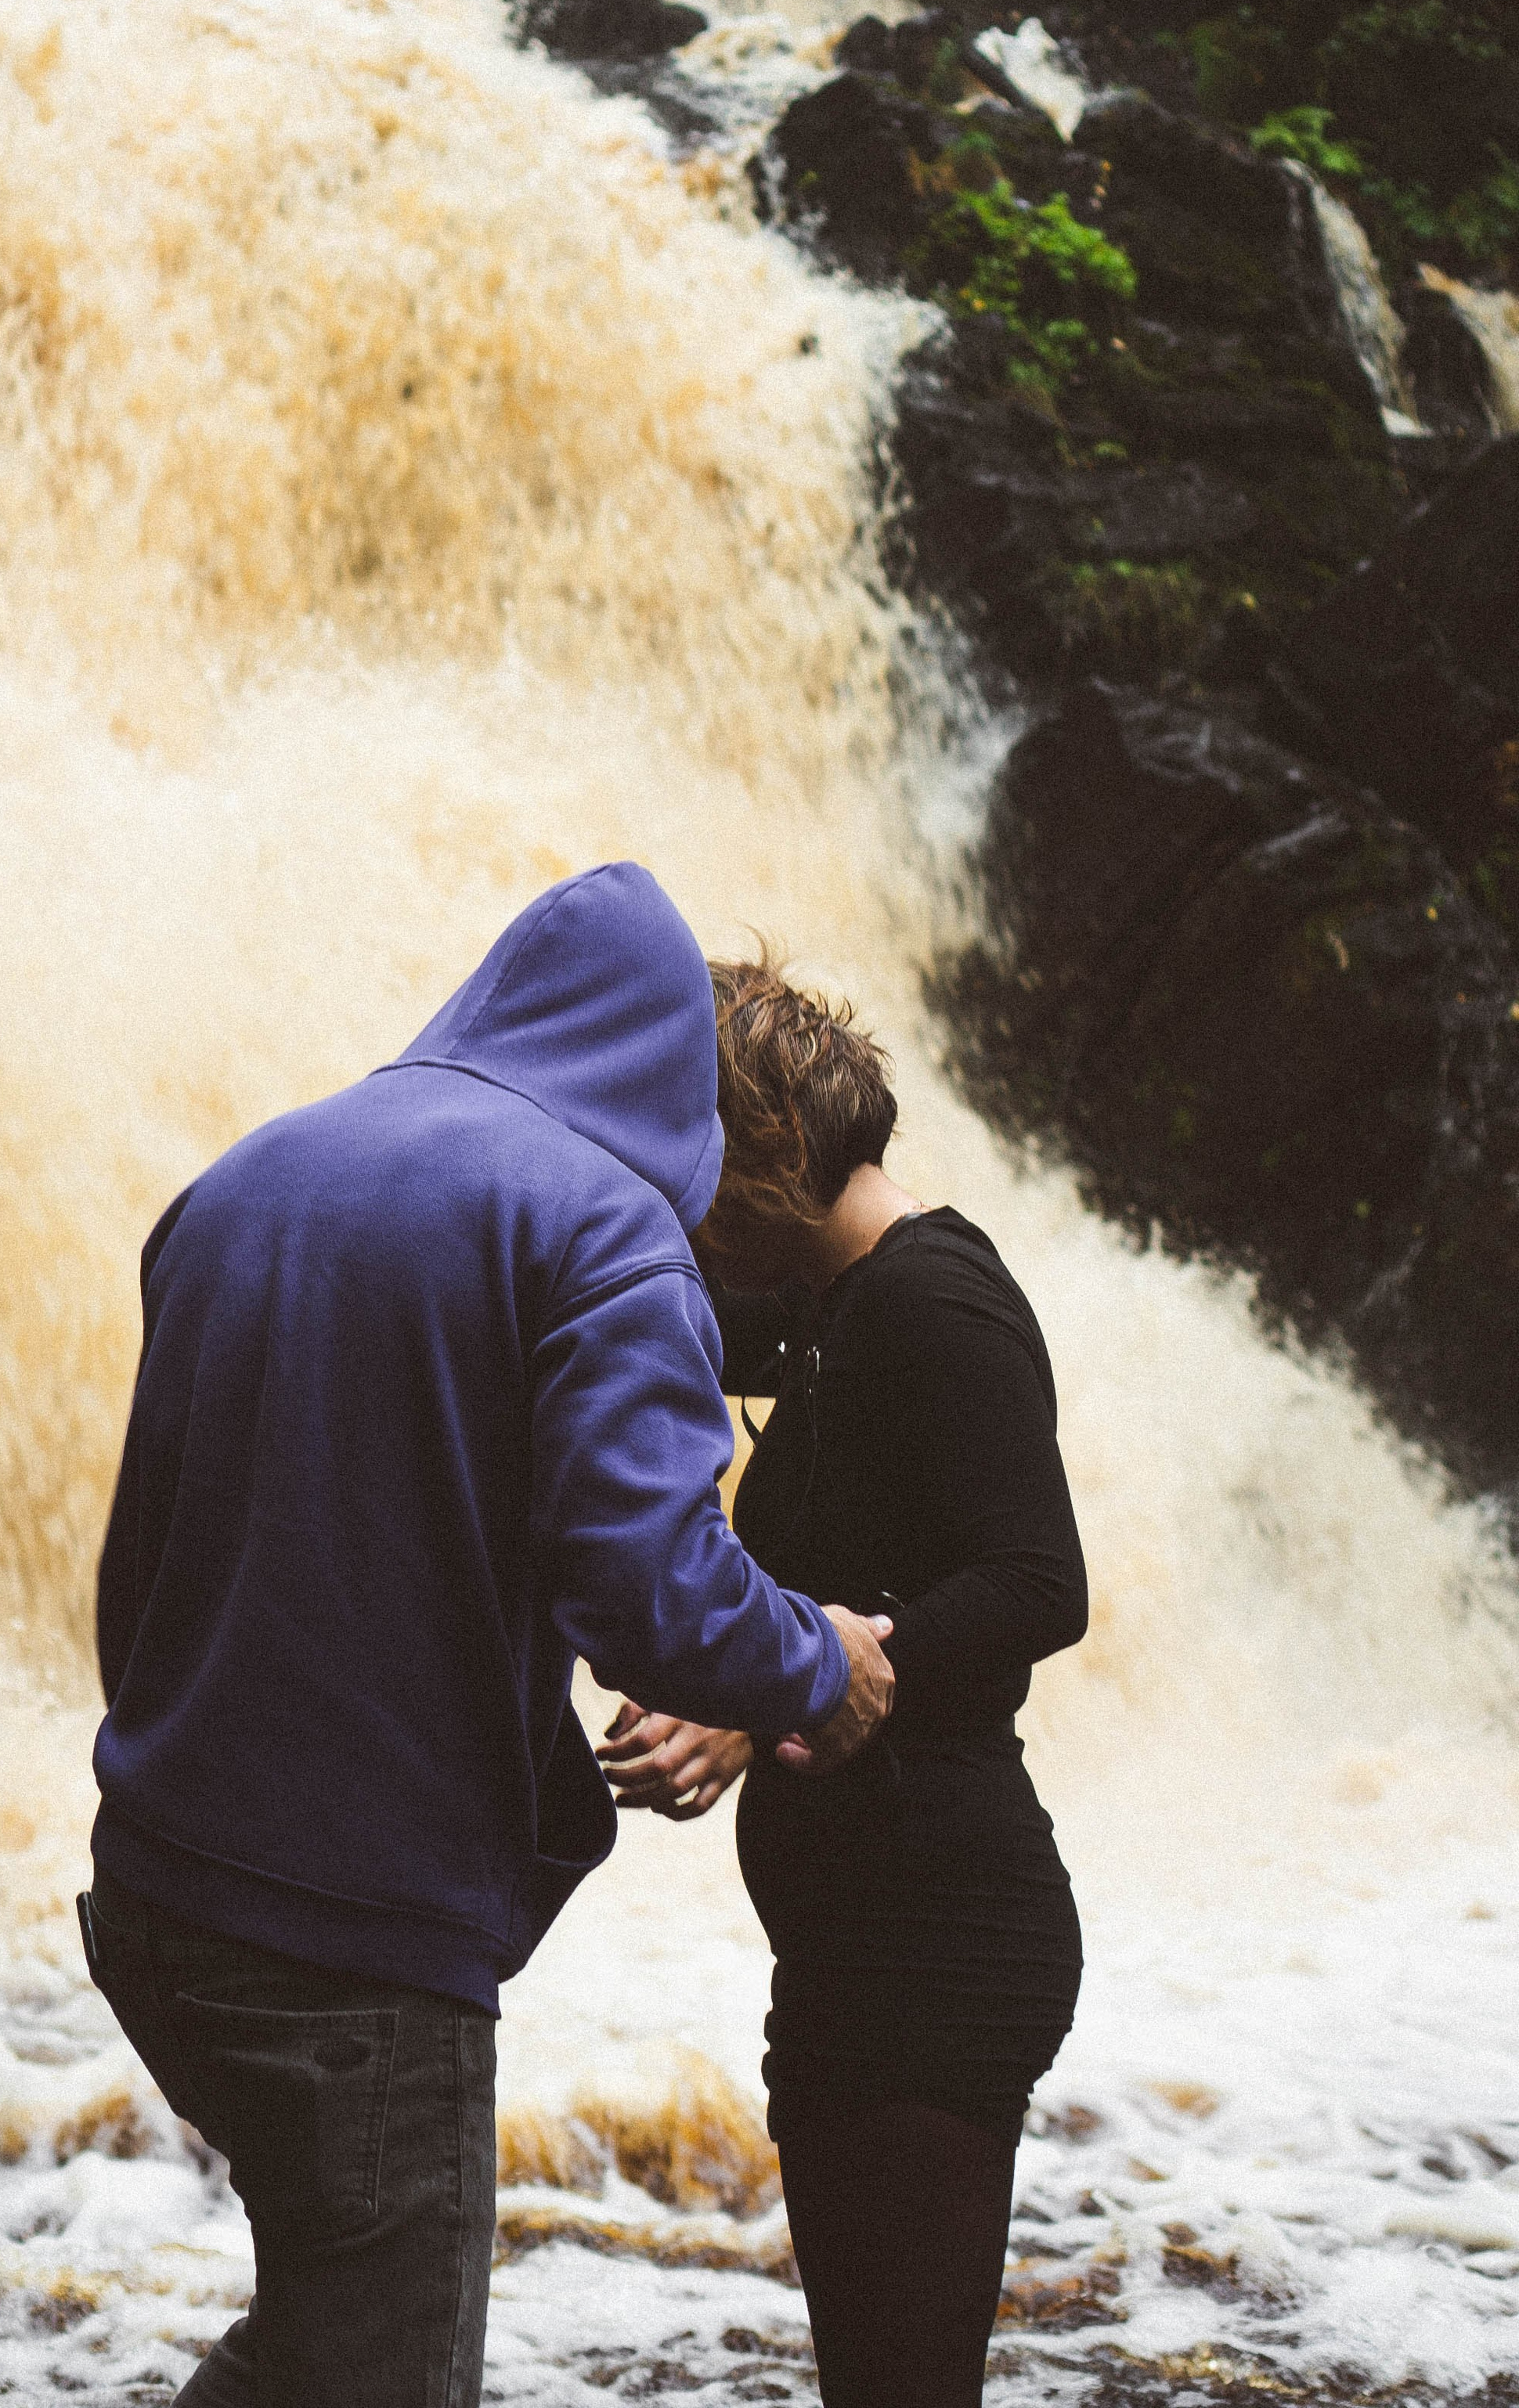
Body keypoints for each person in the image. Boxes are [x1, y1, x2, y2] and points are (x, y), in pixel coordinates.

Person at [81, 870, 897, 2408]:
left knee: (323, 2342)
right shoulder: (601, 1234)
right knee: (382, 2373)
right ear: (668, 1074)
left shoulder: (248, 1176)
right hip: (354, 1944)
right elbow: (649, 1593)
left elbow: (144, 1561)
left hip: (159, 1897)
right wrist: (816, 1667)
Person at [599, 958, 1088, 2408]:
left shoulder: (934, 1304)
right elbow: (640, 1308)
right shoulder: (831, 1307)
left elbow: (1035, 1585)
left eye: (691, 1152)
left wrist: (775, 1693)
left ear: (767, 1157)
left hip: (936, 1937)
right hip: (864, 1937)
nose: (677, 1193)